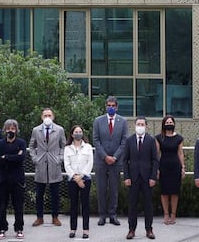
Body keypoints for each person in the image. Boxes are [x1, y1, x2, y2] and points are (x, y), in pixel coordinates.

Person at [93, 95, 128, 226]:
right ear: (105, 106)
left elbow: (124, 141)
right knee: (101, 189)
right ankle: (102, 215)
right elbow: (96, 140)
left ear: (117, 107)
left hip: (116, 161)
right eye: (109, 106)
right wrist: (105, 156)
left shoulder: (123, 121)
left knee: (114, 189)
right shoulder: (98, 121)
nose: (111, 108)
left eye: (113, 106)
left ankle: (113, 215)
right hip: (101, 161)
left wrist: (115, 157)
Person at [29, 107, 66, 227]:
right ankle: (39, 217)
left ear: (53, 117)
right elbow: (32, 145)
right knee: (39, 194)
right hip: (40, 165)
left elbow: (63, 145)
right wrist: (35, 158)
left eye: (49, 116)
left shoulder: (59, 130)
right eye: (45, 116)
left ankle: (55, 217)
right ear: (41, 117)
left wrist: (60, 158)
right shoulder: (36, 130)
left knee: (55, 194)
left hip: (54, 164)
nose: (47, 118)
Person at [123, 117, 159, 240]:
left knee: (148, 205)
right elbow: (125, 160)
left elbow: (155, 160)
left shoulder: (151, 140)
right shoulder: (129, 140)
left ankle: (149, 229)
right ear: (134, 126)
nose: (140, 126)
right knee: (132, 204)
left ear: (146, 126)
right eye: (138, 124)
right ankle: (131, 229)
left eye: (142, 124)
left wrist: (153, 177)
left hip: (147, 177)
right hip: (133, 178)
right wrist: (126, 176)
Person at [0, 119, 26, 240]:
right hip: (2, 179)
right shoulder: (0, 144)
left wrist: (6, 157)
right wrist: (14, 157)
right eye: (8, 129)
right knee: (2, 206)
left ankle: (19, 229)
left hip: (17, 180)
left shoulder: (21, 143)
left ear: (16, 130)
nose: (10, 131)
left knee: (18, 206)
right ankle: (2, 228)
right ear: (4, 130)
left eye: (12, 129)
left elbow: (21, 158)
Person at [64, 125, 93, 240]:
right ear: (72, 134)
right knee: (73, 205)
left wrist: (81, 176)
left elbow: (90, 163)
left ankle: (86, 230)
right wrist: (75, 177)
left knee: (85, 205)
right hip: (72, 179)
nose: (78, 133)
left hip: (85, 179)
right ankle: (73, 229)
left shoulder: (88, 147)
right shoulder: (67, 148)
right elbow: (67, 164)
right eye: (76, 132)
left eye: (80, 131)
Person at [155, 115, 185, 225]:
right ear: (164, 124)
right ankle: (166, 214)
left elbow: (180, 153)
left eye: (171, 122)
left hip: (175, 167)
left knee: (174, 192)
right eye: (167, 122)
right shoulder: (159, 137)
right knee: (164, 192)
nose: (169, 124)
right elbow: (157, 154)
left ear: (174, 123)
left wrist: (183, 167)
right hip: (163, 166)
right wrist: (156, 168)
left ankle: (173, 215)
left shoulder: (179, 138)